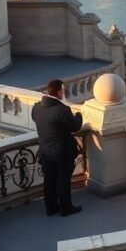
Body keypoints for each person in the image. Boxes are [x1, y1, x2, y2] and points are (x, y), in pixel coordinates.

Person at [32, 78, 84, 216]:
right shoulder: (62, 110)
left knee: (49, 180)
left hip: (45, 151)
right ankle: (66, 208)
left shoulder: (36, 108)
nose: (64, 92)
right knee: (63, 179)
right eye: (63, 90)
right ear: (59, 92)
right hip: (62, 152)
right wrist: (79, 116)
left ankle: (51, 208)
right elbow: (75, 126)